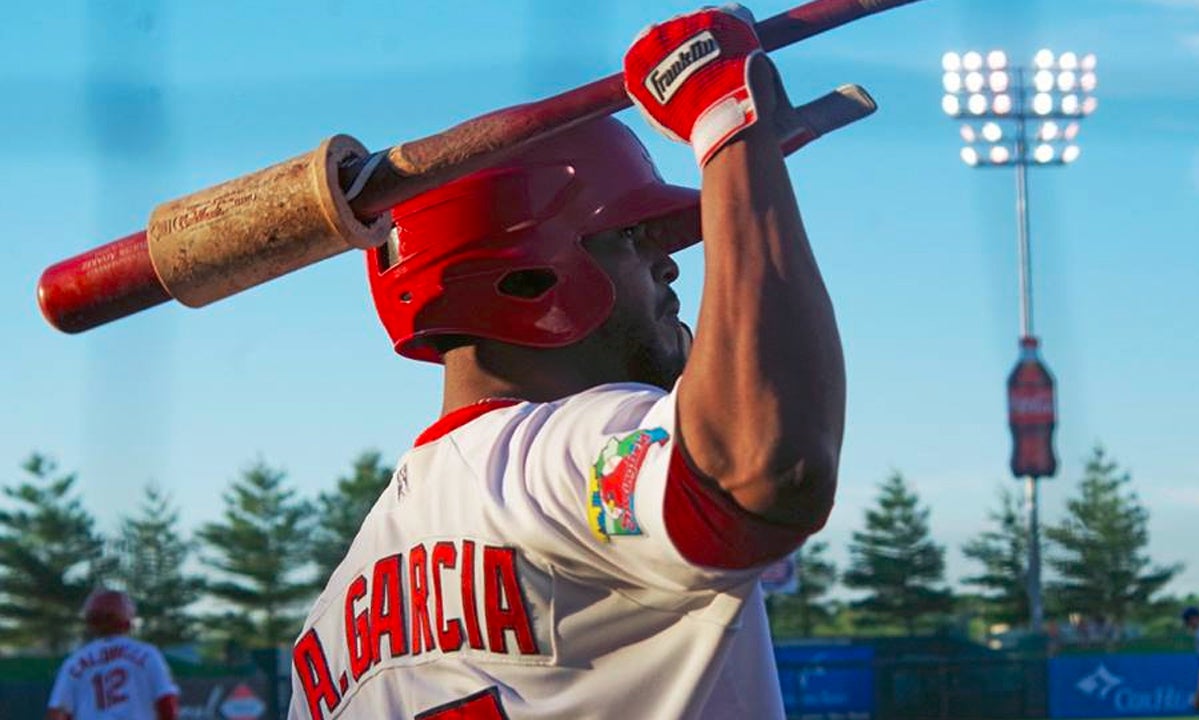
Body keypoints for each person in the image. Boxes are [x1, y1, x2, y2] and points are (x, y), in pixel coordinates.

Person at [289, 6, 846, 719]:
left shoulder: (328, 630)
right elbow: (765, 463)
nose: (669, 265)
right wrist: (727, 130)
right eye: (633, 238)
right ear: (528, 281)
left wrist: (749, 180)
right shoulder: (553, 461)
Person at [46, 589, 180, 720]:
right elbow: (166, 702)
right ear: (127, 617)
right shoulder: (147, 654)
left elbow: (58, 712)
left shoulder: (74, 662)